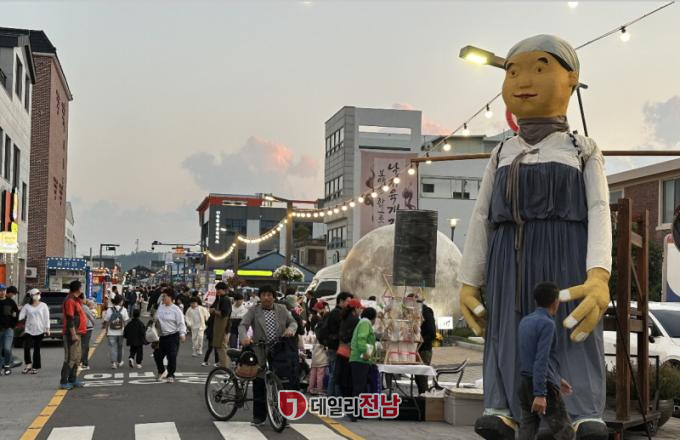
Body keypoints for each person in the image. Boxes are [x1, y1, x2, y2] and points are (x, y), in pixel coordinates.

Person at [458, 35, 611, 440]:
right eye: (513, 72)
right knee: (508, 329)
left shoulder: (582, 149)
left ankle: (581, 409)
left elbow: (599, 210)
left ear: (571, 79)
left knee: (569, 326)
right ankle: (503, 407)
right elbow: (481, 216)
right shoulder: (501, 153)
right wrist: (469, 280)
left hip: (566, 255)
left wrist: (599, 275)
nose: (524, 81)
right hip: (507, 258)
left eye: (541, 68)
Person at [518, 283, 574, 440]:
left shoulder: (525, 321)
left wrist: (558, 379)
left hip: (525, 384)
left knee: (527, 431)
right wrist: (540, 393)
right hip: (543, 387)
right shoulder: (548, 324)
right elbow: (541, 359)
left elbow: (530, 357)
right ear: (556, 301)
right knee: (566, 433)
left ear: (536, 300)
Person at [239, 285, 297, 426]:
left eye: (269, 295)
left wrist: (290, 329)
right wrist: (244, 337)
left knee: (281, 382)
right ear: (259, 297)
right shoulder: (254, 310)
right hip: (260, 350)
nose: (266, 297)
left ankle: (282, 417)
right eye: (263, 295)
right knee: (259, 382)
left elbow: (293, 322)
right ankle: (259, 416)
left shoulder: (282, 309)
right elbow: (243, 325)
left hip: (279, 350)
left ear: (274, 297)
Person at [349, 307, 378, 422]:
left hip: (360, 359)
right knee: (359, 386)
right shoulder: (365, 323)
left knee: (361, 386)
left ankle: (359, 411)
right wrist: (364, 352)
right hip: (360, 359)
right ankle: (354, 413)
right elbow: (361, 339)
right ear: (373, 317)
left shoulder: (362, 322)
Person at [324, 291, 353, 396]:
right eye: (348, 301)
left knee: (334, 374)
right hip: (335, 347)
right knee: (335, 375)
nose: (350, 304)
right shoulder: (337, 313)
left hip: (334, 346)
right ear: (341, 301)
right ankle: (334, 398)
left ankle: (332, 397)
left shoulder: (336, 312)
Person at [154, 291, 186, 383]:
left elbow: (181, 323)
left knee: (172, 356)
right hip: (161, 336)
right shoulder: (161, 307)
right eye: (163, 296)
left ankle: (171, 374)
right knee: (157, 355)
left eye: (165, 296)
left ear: (171, 298)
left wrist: (182, 334)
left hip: (173, 336)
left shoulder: (176, 309)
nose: (163, 298)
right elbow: (156, 318)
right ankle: (161, 371)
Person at [60, 280, 87, 389]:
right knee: (70, 358)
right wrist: (73, 333)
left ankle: (73, 379)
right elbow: (70, 318)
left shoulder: (76, 299)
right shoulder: (70, 301)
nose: (82, 289)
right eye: (81, 287)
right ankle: (63, 381)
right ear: (78, 289)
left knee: (77, 357)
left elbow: (84, 302)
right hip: (71, 334)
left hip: (78, 332)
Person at [408, 293, 436, 394]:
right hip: (417, 349)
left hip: (424, 350)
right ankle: (421, 398)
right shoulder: (415, 312)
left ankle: (424, 399)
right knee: (418, 378)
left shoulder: (426, 312)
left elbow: (432, 333)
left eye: (409, 303)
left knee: (422, 379)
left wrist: (420, 341)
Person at [335, 297, 363, 398]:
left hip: (341, 351)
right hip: (349, 353)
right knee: (348, 381)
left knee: (342, 381)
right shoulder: (356, 321)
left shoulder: (344, 318)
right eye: (360, 308)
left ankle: (344, 402)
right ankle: (349, 404)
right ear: (355, 308)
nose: (361, 310)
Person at [19, 289, 50, 374]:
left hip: (40, 330)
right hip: (29, 330)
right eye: (36, 294)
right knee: (27, 347)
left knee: (37, 349)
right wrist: (19, 311)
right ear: (32, 296)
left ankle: (35, 366)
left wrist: (47, 328)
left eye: (39, 294)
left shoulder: (43, 305)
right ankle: (28, 365)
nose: (38, 295)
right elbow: (21, 316)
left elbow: (46, 318)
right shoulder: (27, 306)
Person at [103, 295, 129, 369]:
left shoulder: (109, 310)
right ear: (121, 301)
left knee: (112, 347)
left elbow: (106, 321)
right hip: (121, 332)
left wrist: (106, 331)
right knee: (120, 347)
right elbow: (126, 322)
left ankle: (113, 363)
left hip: (111, 332)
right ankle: (119, 361)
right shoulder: (124, 309)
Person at [308, 301, 329, 395]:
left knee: (313, 372)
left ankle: (310, 388)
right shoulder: (321, 324)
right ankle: (319, 389)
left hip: (315, 352)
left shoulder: (314, 326)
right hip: (321, 351)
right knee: (320, 373)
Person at [210, 282, 231, 368]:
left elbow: (224, 314)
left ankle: (224, 366)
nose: (217, 291)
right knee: (219, 346)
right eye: (216, 289)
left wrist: (214, 311)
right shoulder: (219, 298)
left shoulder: (225, 299)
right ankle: (222, 364)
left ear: (224, 290)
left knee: (222, 346)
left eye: (219, 289)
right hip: (219, 326)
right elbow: (213, 307)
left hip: (224, 327)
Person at [0, 284, 19, 374]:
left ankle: (7, 366)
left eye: (3, 290)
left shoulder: (11, 302)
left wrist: (12, 326)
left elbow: (16, 315)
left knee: (7, 348)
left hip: (8, 330)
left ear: (5, 291)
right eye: (0, 290)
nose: (2, 292)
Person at [80, 299, 97, 370]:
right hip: (87, 328)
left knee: (81, 345)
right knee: (85, 346)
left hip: (78, 328)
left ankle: (81, 362)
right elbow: (91, 317)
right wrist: (93, 324)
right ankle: (83, 363)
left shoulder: (76, 305)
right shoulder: (84, 307)